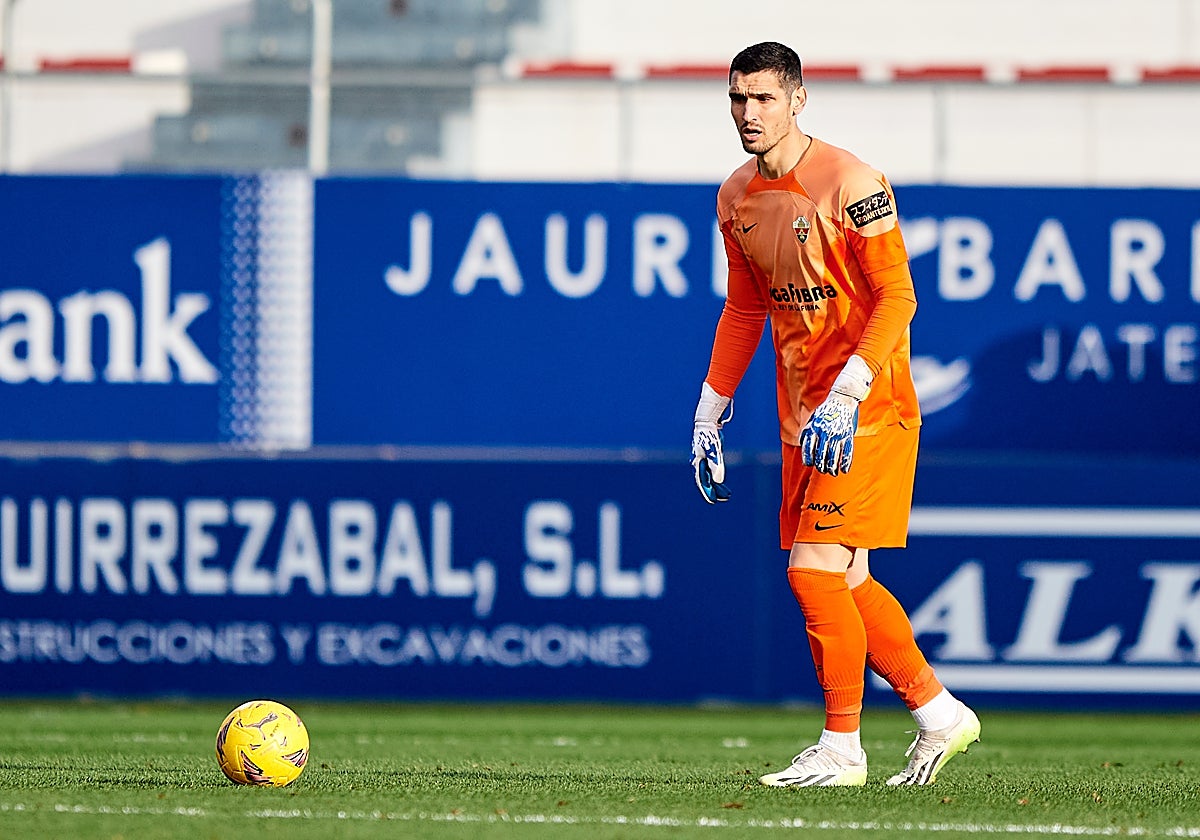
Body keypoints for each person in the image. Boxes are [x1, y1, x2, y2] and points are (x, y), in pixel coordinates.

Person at [690, 41, 980, 787]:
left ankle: (842, 747)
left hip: (868, 411)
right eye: (737, 98)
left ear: (798, 99)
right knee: (847, 580)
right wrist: (710, 407)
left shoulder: (853, 182)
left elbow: (899, 297)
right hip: (802, 420)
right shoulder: (735, 197)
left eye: (763, 98)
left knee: (813, 573)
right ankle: (940, 714)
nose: (748, 113)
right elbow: (746, 306)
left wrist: (849, 389)